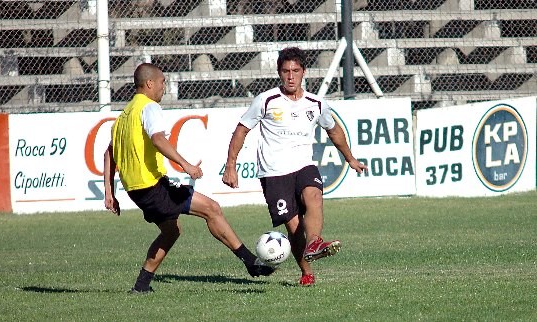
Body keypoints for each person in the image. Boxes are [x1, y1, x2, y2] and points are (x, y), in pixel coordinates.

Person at [103, 63, 274, 294]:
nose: (164, 87)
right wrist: (187, 165)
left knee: (172, 231)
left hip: (137, 191)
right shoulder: (149, 107)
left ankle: (141, 286)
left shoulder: (124, 116)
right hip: (152, 186)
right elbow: (158, 140)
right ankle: (250, 262)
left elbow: (109, 153)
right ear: (150, 83)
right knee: (211, 209)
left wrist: (109, 192)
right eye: (162, 82)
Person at [222, 47, 368, 286]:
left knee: (314, 195)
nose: (291, 76)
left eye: (295, 71)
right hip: (274, 173)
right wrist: (231, 165)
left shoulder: (316, 103)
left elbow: (333, 130)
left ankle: (315, 242)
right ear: (279, 73)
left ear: (304, 73)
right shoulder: (266, 100)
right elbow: (241, 130)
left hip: (303, 165)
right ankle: (306, 271)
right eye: (286, 71)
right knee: (293, 226)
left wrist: (350, 158)